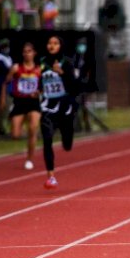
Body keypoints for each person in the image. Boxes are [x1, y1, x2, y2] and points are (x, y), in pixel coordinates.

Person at [39, 35, 79, 188]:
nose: (52, 45)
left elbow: (75, 87)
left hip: (64, 107)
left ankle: (67, 134)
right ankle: (51, 176)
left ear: (61, 46)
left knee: (67, 144)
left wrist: (61, 73)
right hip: (48, 106)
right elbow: (37, 82)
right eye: (49, 43)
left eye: (55, 43)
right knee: (47, 139)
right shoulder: (42, 63)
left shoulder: (67, 63)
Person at [0, 42, 41, 169]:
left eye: (29, 51)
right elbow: (5, 83)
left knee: (33, 128)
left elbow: (43, 87)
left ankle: (30, 158)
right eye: (25, 52)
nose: (27, 54)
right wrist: (3, 99)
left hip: (33, 103)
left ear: (34, 53)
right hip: (19, 102)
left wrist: (38, 92)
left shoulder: (39, 69)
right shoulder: (16, 68)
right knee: (15, 135)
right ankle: (27, 133)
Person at [0, 38, 13, 136]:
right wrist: (12, 70)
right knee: (1, 106)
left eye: (7, 46)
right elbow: (4, 69)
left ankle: (4, 128)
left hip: (9, 85)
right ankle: (1, 129)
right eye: (4, 46)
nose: (6, 48)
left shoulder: (9, 58)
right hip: (0, 85)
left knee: (8, 106)